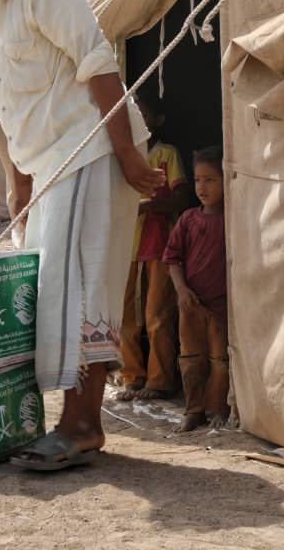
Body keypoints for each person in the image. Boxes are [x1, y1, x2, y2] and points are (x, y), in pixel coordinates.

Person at [0, 0, 164, 470]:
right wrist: (18, 183)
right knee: (49, 293)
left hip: (90, 150)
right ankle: (71, 422)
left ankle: (83, 426)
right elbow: (11, 104)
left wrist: (128, 158)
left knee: (81, 291)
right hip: (46, 165)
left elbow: (100, 66)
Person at [118, 95, 187, 401]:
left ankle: (160, 381)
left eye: (143, 114)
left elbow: (182, 196)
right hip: (126, 247)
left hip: (158, 245)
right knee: (126, 317)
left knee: (157, 314)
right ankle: (132, 375)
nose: (138, 120)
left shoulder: (166, 155)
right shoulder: (122, 156)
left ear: (157, 121)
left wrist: (146, 205)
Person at [163, 146, 229, 431]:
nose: (202, 186)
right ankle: (194, 410)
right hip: (190, 305)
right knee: (190, 359)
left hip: (221, 305)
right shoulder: (189, 219)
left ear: (226, 181)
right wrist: (181, 290)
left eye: (211, 179)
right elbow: (172, 258)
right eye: (198, 179)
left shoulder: (232, 221)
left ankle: (217, 409)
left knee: (220, 360)